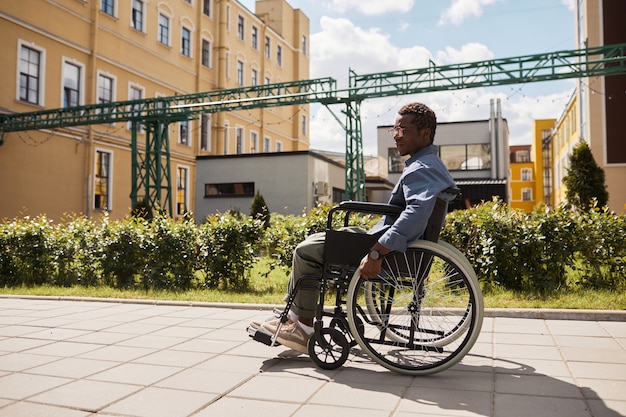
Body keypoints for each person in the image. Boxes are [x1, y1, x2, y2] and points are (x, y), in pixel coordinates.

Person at [250, 102, 456, 354]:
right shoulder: (426, 164)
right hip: (391, 241)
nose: (397, 135)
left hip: (388, 248)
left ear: (425, 134)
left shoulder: (422, 167)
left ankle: (303, 329)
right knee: (315, 241)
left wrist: (377, 252)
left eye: (402, 129)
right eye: (394, 129)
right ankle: (292, 316)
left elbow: (415, 213)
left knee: (306, 252)